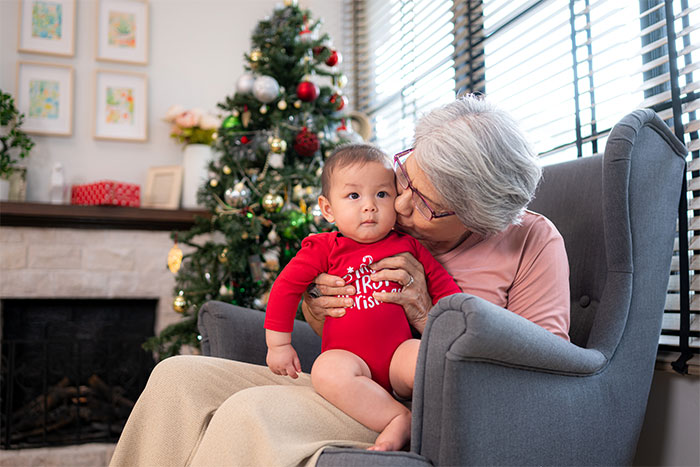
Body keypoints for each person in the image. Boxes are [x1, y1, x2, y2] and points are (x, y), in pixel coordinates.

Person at [109, 95, 570, 467]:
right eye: (404, 176)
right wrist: (315, 302)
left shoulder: (530, 241)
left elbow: (542, 374)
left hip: (413, 410)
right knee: (177, 377)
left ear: (478, 215)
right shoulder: (381, 216)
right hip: (343, 378)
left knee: (249, 414)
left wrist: (429, 315)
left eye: (425, 202)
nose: (400, 205)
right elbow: (321, 300)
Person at [264, 144, 461, 452]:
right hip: (349, 359)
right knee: (326, 371)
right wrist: (278, 345)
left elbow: (448, 293)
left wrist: (460, 330)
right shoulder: (323, 248)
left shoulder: (408, 246)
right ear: (328, 209)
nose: (369, 206)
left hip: (398, 354)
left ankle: (444, 434)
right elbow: (285, 288)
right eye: (354, 196)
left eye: (381, 194)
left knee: (430, 356)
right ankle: (397, 418)